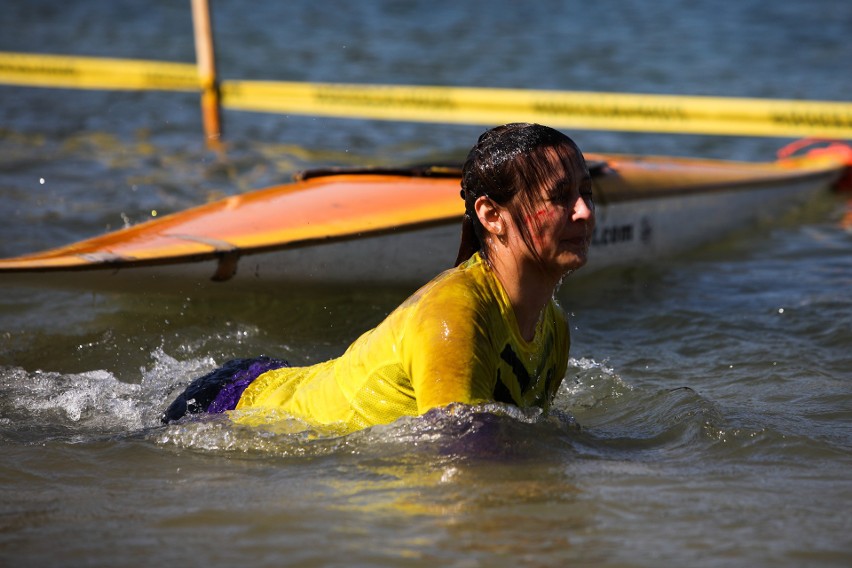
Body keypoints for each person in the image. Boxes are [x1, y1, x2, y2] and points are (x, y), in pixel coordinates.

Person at [162, 123, 595, 433]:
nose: (585, 212)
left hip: (287, 384)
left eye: (587, 194)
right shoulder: (455, 315)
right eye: (560, 197)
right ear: (491, 215)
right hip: (228, 405)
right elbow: (463, 466)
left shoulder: (553, 329)